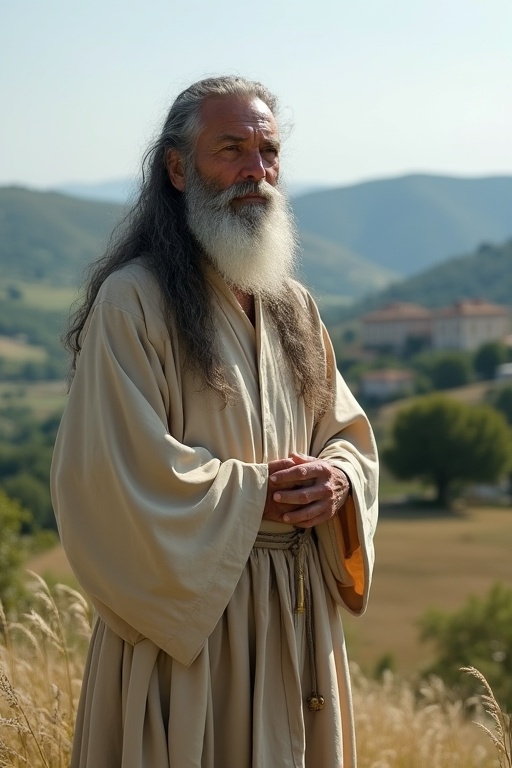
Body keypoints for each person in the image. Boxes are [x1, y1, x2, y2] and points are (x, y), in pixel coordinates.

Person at [51, 75, 379, 768]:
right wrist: (256, 493)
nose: (256, 171)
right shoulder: (132, 302)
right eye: (231, 149)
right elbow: (113, 472)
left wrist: (338, 483)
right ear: (177, 167)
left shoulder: (293, 306)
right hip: (192, 626)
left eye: (268, 152)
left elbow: (346, 435)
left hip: (297, 617)